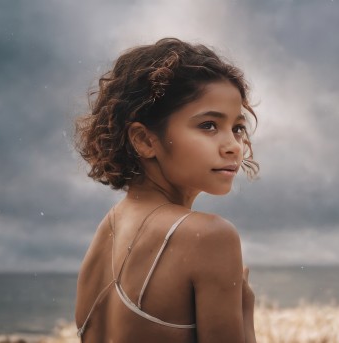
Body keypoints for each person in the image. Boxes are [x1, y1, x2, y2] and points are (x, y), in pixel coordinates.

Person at [73, 37, 260, 343]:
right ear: (145, 140)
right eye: (209, 125)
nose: (233, 147)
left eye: (237, 128)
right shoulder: (210, 236)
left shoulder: (106, 233)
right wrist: (246, 314)